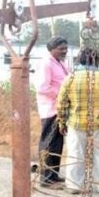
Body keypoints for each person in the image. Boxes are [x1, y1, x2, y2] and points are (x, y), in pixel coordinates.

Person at [56, 46, 99, 194]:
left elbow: (61, 102)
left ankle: (73, 186)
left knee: (75, 153)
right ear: (97, 60)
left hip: (76, 123)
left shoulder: (70, 78)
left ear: (80, 59)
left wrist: (61, 121)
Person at [36, 36, 70, 187]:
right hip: (50, 109)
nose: (65, 51)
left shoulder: (61, 63)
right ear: (52, 49)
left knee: (57, 144)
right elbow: (43, 87)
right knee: (49, 143)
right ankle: (46, 178)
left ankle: (53, 175)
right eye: (61, 48)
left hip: (60, 109)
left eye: (65, 48)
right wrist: (60, 96)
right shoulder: (46, 64)